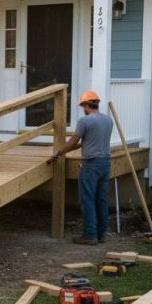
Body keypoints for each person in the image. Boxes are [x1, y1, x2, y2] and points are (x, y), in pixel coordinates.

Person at [50, 90, 114, 245]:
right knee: (101, 199)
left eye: (82, 106)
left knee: (87, 199)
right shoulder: (108, 120)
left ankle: (90, 235)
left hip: (91, 164)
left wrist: (59, 152)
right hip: (105, 163)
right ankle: (102, 234)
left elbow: (73, 141)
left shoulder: (85, 121)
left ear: (86, 105)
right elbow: (84, 142)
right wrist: (63, 152)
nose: (83, 109)